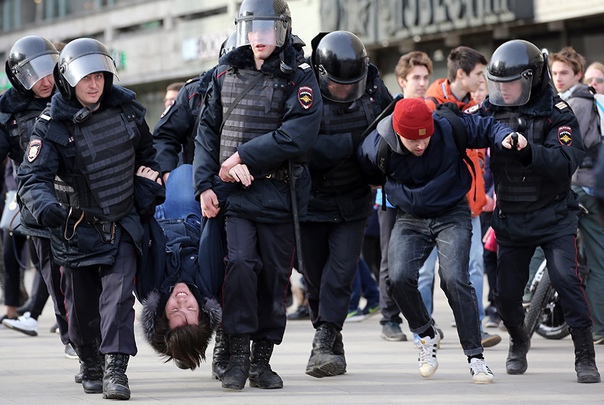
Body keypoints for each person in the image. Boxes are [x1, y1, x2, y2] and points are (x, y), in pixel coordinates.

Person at [17, 37, 165, 399]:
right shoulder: (51, 124)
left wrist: (148, 189)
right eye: (86, 77)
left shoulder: (128, 109)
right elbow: (31, 178)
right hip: (76, 228)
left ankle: (116, 368)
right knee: (81, 307)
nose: (94, 83)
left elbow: (150, 156)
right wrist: (45, 205)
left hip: (123, 223)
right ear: (69, 79)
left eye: (100, 75)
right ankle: (90, 361)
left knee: (117, 299)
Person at [193, 0, 322, 391]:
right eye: (251, 27)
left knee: (274, 278)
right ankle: (237, 354)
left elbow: (297, 133)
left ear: (281, 29)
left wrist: (244, 155)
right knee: (241, 267)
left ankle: (261, 359)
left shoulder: (300, 75)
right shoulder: (223, 73)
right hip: (235, 195)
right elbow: (206, 133)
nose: (258, 36)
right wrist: (203, 185)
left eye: (266, 28)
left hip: (279, 192)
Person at [358, 97, 519, 384]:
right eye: (412, 141)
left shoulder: (448, 127)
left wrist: (505, 136)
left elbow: (486, 126)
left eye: (425, 138)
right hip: (409, 216)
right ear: (397, 133)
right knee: (397, 277)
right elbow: (365, 171)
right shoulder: (378, 145)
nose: (420, 145)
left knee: (455, 277)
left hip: (452, 211)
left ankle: (475, 357)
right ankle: (425, 333)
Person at [479, 39, 600, 383]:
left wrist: (527, 149)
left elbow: (565, 161)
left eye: (511, 83)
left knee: (567, 280)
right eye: (498, 84)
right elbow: (465, 126)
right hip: (512, 220)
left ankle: (584, 356)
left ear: (531, 79)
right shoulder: (492, 108)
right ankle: (519, 341)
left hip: (554, 217)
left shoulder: (558, 112)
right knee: (504, 296)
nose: (503, 90)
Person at [298, 30, 391, 378]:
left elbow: (390, 130)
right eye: (338, 85)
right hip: (311, 202)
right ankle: (330, 335)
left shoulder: (372, 90)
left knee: (340, 275)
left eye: (351, 83)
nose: (346, 91)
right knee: (315, 278)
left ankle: (324, 340)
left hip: (353, 202)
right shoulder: (303, 91)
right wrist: (353, 142)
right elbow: (303, 146)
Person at [0, 36, 76, 357]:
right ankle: (74, 340)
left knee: (85, 279)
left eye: (48, 70)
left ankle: (92, 340)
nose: (44, 81)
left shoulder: (75, 95)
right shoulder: (9, 113)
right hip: (37, 209)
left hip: (80, 205)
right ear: (19, 78)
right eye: (32, 75)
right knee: (55, 281)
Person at [424, 46, 501, 348]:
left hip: (471, 202)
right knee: (425, 271)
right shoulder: (431, 103)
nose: (483, 79)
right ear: (461, 74)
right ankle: (424, 330)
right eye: (479, 74)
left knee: (476, 266)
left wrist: (484, 193)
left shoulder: (478, 105)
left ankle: (476, 327)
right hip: (435, 203)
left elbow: (480, 154)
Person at [550, 46, 604, 347]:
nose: (558, 78)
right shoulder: (576, 100)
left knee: (595, 259)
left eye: (564, 73)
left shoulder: (577, 103)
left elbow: (570, 150)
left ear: (577, 75)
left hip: (580, 187)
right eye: (555, 73)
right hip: (585, 185)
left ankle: (598, 328)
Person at [377, 51, 433, 342]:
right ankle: (389, 318)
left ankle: (422, 318)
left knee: (422, 263)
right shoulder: (390, 110)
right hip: (391, 199)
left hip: (423, 197)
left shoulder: (432, 108)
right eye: (416, 78)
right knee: (390, 257)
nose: (422, 83)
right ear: (401, 81)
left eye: (425, 77)